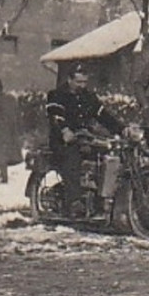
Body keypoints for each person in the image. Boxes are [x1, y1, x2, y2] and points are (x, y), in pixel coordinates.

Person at [45, 66, 123, 218]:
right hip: (63, 142)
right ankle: (74, 202)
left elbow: (104, 115)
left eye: (85, 82)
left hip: (85, 139)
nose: (82, 85)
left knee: (106, 158)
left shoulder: (89, 97)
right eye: (78, 81)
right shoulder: (57, 95)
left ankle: (101, 199)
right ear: (70, 80)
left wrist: (122, 129)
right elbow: (55, 116)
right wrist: (65, 130)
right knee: (72, 160)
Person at [0, 78, 23, 184]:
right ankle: (2, 173)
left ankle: (4, 176)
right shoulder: (7, 99)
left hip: (1, 131)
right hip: (5, 130)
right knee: (1, 153)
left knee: (1, 153)